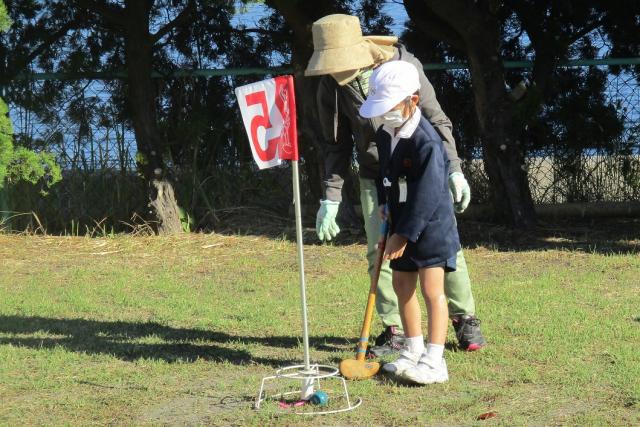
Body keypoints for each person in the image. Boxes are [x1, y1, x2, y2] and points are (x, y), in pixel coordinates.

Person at [305, 14, 485, 353]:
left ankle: (465, 318)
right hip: (378, 176)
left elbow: (436, 119)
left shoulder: (404, 66)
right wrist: (330, 197)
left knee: (444, 245)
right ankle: (395, 329)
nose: (336, 71)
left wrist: (453, 169)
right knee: (381, 251)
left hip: (423, 172)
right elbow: (336, 145)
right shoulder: (330, 84)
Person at [362, 60, 458, 383]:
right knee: (403, 285)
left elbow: (428, 196)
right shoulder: (386, 133)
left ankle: (434, 360)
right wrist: (386, 213)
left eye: (389, 107)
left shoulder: (426, 142)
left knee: (432, 289)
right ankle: (412, 349)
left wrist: (403, 235)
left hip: (431, 227)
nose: (384, 113)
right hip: (400, 221)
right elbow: (385, 177)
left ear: (412, 101)